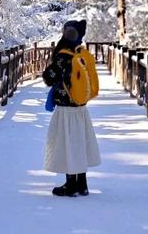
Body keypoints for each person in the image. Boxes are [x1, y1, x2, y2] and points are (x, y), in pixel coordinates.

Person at [42, 19, 101, 197]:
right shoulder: (81, 53)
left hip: (66, 109)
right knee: (79, 143)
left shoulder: (63, 56)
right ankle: (82, 184)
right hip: (80, 108)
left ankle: (70, 185)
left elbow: (49, 77)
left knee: (68, 144)